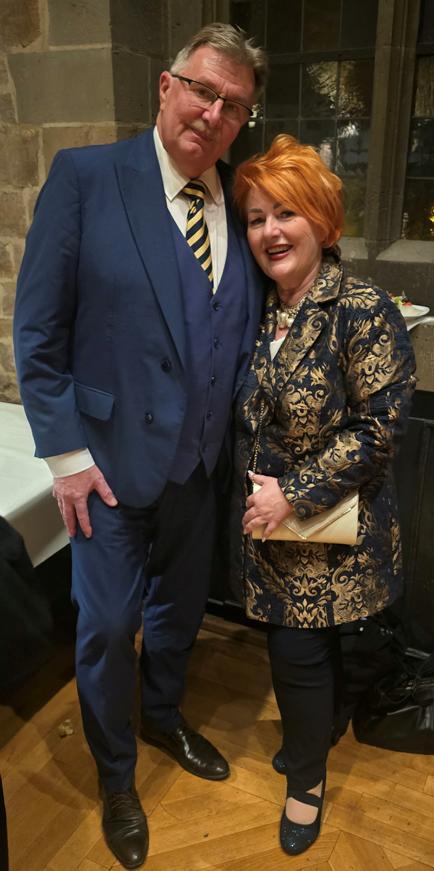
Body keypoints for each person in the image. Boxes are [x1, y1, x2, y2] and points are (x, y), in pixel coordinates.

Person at [13, 23, 267, 869]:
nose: (214, 113)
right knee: (109, 623)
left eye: (234, 105)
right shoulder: (86, 179)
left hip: (200, 466)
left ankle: (163, 716)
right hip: (106, 467)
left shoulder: (239, 201)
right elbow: (37, 335)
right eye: (203, 90)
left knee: (178, 613)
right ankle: (116, 774)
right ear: (166, 86)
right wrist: (66, 458)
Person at [232, 134, 416, 856]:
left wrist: (293, 494)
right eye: (256, 218)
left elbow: (381, 426)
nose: (270, 231)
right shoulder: (261, 307)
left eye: (286, 213)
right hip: (271, 529)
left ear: (322, 220)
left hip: (331, 526)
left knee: (298, 655)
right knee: (306, 652)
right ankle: (317, 735)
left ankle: (306, 783)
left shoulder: (361, 308)